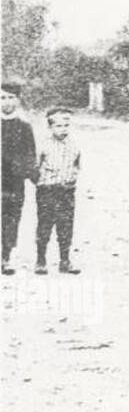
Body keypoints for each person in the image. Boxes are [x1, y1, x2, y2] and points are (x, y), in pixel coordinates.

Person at [34, 107, 81, 275]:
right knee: (45, 225)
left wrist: (71, 180)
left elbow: (77, 164)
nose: (63, 129)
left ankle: (65, 260)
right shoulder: (43, 145)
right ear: (50, 127)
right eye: (59, 126)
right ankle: (41, 260)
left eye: (66, 125)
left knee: (66, 226)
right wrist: (43, 183)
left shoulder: (74, 145)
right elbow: (35, 167)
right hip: (47, 190)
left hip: (66, 191)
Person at [2, 82, 38, 275]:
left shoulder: (24, 126)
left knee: (12, 217)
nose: (6, 102)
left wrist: (33, 175)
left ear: (18, 99)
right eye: (2, 98)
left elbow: (30, 153)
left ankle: (5, 256)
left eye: (10, 97)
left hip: (15, 180)